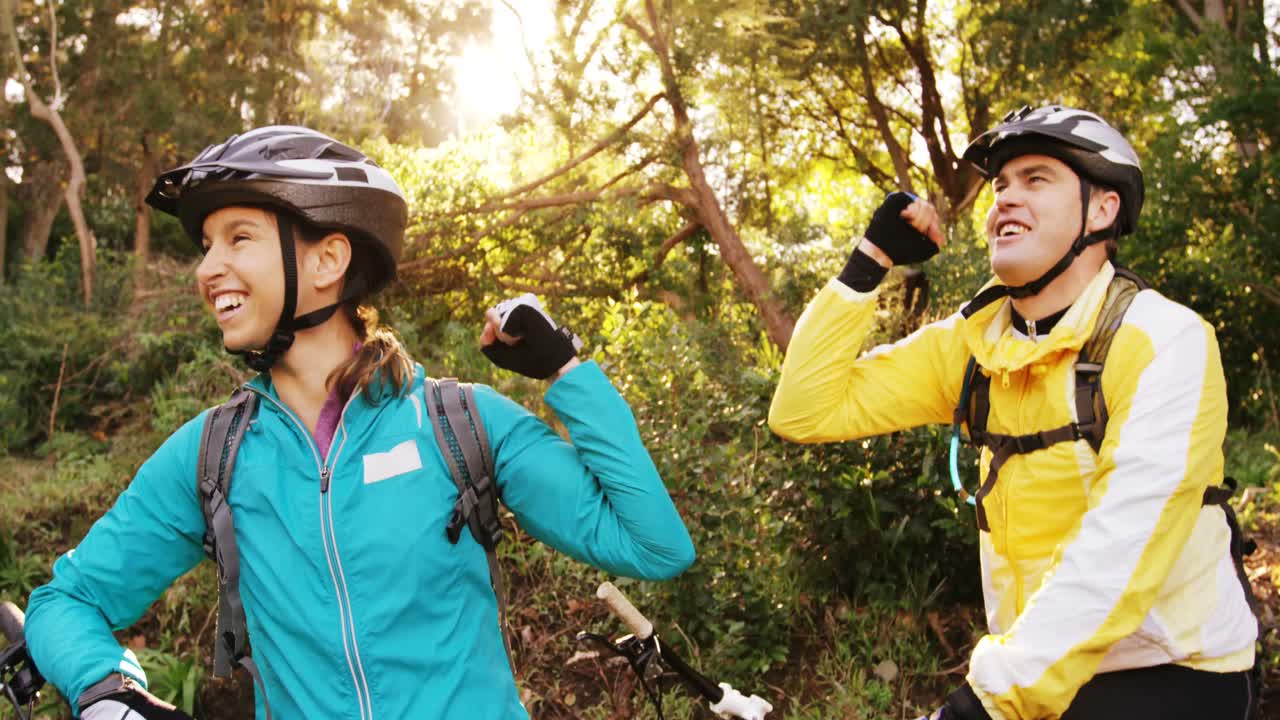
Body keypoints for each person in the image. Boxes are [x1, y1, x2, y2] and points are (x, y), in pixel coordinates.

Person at [23, 126, 696, 720]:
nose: (207, 269)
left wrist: (567, 371)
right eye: (206, 245)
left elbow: (655, 547)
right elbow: (66, 601)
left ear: (327, 259)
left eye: (239, 238)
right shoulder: (212, 456)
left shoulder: (459, 423)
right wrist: (109, 691)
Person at [769, 106, 1258, 720]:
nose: (1005, 200)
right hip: (1030, 673)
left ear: (1102, 209)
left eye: (1036, 180)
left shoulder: (1164, 339)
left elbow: (1123, 546)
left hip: (1167, 670)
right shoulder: (975, 343)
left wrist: (984, 703)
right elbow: (803, 410)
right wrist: (871, 259)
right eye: (1000, 185)